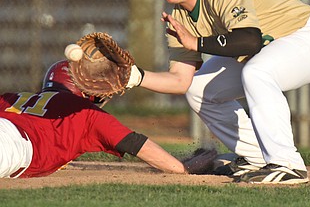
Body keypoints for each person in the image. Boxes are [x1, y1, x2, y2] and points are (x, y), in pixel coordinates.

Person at [128, 0, 310, 184]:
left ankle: (287, 164)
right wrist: (134, 76)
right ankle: (256, 157)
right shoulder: (179, 15)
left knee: (258, 72)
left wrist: (196, 42)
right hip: (263, 50)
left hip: (305, 34)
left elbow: (250, 39)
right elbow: (181, 80)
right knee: (198, 90)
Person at [0, 60, 190, 178]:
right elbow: (135, 143)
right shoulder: (83, 111)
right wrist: (183, 168)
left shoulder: (13, 97)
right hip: (15, 145)